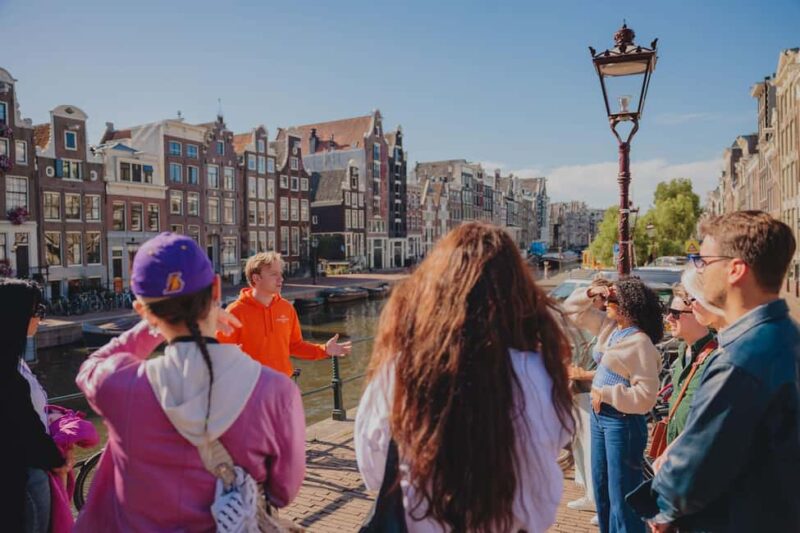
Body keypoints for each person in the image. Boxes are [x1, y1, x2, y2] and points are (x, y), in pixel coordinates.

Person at [74, 233, 306, 531]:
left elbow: (91, 366)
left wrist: (152, 324)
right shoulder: (277, 391)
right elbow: (284, 491)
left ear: (143, 311)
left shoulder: (118, 385)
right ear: (217, 289)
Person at [355, 222, 574, 532]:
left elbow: (374, 469)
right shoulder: (540, 374)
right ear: (516, 291)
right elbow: (556, 441)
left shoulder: (398, 373)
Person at [632, 211, 800, 532]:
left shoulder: (740, 359)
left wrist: (662, 508)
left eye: (704, 262)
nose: (699, 270)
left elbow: (695, 468)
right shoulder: (787, 335)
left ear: (735, 269)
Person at [563, 277, 663, 533]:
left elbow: (646, 396)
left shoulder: (640, 342)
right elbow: (571, 310)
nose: (607, 302)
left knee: (622, 495)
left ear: (629, 305)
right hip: (601, 418)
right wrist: (591, 292)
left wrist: (606, 393)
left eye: (613, 299)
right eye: (607, 297)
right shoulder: (611, 328)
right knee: (602, 490)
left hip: (622, 421)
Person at [217, 251, 351, 377]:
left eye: (280, 273)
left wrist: (324, 350)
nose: (281, 278)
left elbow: (295, 345)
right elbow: (218, 354)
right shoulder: (235, 312)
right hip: (250, 387)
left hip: (283, 384)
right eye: (274, 274)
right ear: (256, 278)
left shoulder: (286, 308)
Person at [1, 279, 66, 533]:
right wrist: (57, 459)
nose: (40, 318)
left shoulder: (14, 360)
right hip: (24, 479)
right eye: (38, 311)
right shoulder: (6, 370)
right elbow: (23, 425)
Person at [662, 278, 720, 445]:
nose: (668, 318)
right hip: (677, 451)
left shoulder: (715, 358)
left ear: (696, 311)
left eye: (675, 313)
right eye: (668, 311)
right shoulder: (682, 351)